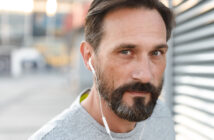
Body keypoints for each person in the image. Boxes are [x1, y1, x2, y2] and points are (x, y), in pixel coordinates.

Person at [29, 0, 175, 139]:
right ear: (88, 57)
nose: (145, 76)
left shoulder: (162, 117)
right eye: (125, 52)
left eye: (156, 53)